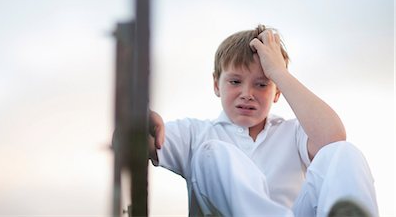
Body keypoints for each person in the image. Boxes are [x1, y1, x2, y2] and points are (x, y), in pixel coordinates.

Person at [148, 25, 378, 217]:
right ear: (216, 84)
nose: (247, 93)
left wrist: (279, 73)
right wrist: (140, 123)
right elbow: (143, 142)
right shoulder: (194, 133)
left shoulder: (293, 132)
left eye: (262, 84)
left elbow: (334, 139)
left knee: (343, 152)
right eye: (235, 82)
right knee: (211, 152)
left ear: (277, 92)